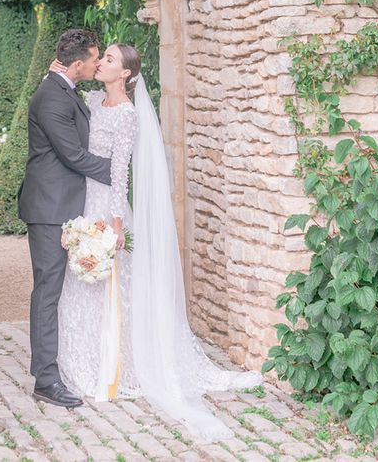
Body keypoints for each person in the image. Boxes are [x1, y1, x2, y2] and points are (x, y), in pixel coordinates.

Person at [50, 43, 263, 441]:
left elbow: (119, 171)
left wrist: (115, 222)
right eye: (103, 58)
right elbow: (66, 95)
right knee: (79, 285)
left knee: (115, 287)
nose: (102, 63)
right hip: (80, 199)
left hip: (105, 205)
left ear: (126, 74)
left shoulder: (128, 116)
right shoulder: (93, 98)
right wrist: (58, 71)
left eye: (109, 60)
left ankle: (118, 366)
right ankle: (79, 362)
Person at [18, 29, 112, 409]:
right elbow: (73, 156)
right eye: (93, 59)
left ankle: (67, 362)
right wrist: (120, 170)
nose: (97, 63)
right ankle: (45, 378)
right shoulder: (52, 99)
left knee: (62, 291)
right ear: (77, 64)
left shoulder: (62, 88)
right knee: (48, 291)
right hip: (49, 209)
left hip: (67, 205)